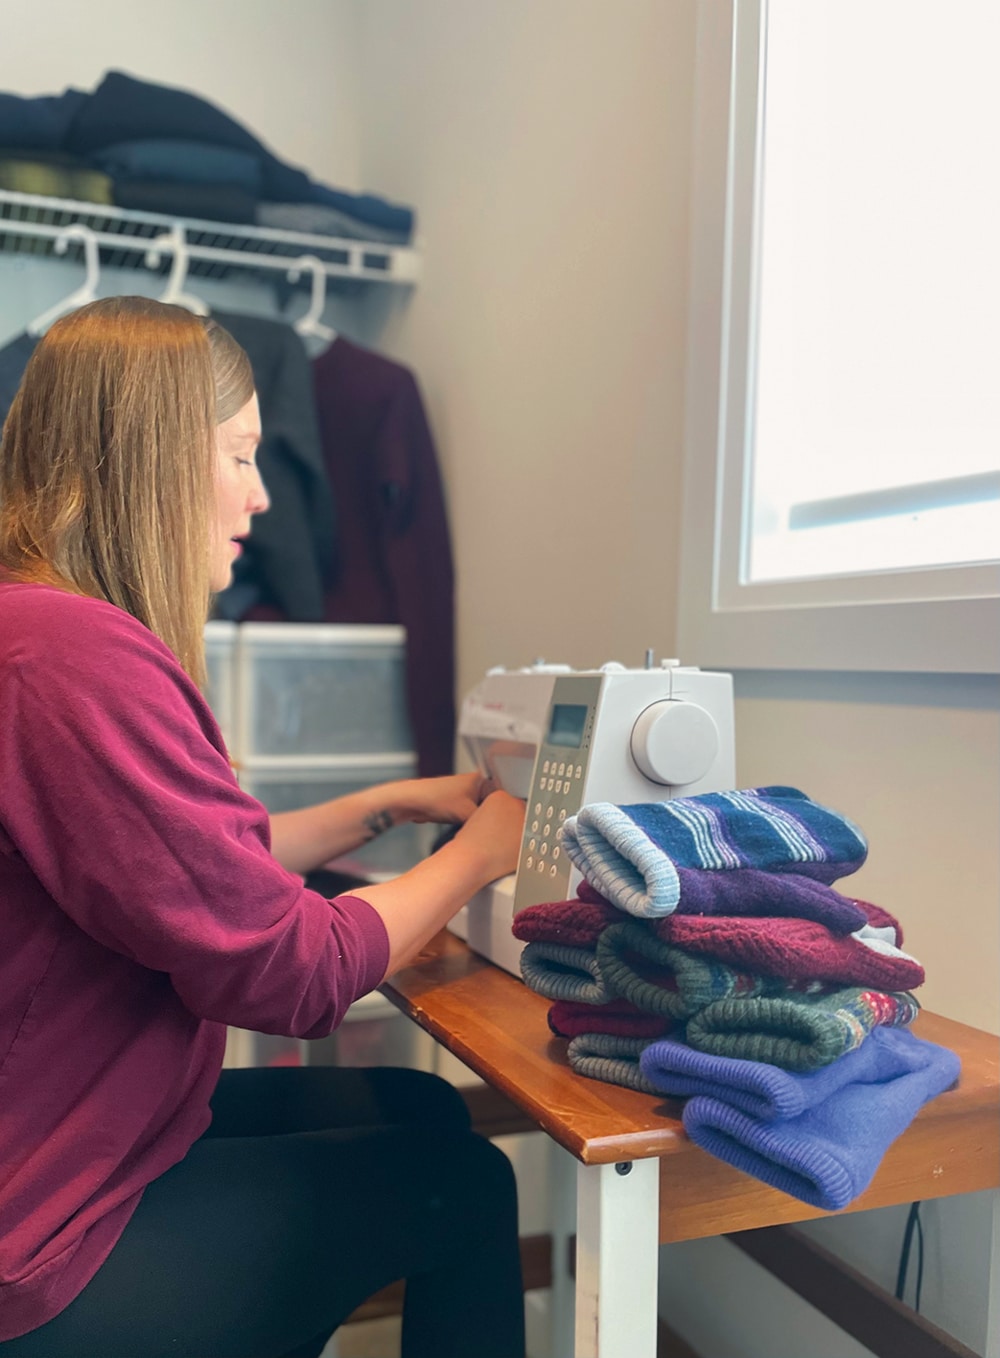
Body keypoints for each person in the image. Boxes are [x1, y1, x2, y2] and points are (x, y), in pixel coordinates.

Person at [0, 296, 528, 1358]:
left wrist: (384, 805)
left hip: (71, 1135)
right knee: (465, 1183)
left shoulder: (33, 624)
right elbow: (292, 975)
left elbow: (165, 865)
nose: (260, 493)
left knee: (421, 1112)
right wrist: (488, 849)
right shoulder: (73, 657)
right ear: (150, 456)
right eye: (239, 455)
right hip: (42, 1230)